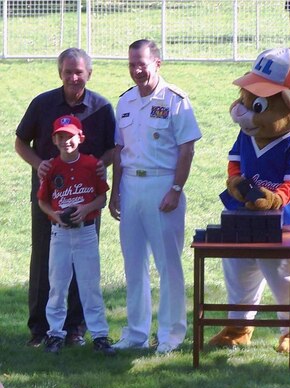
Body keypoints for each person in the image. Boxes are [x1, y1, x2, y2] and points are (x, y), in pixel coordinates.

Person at [15, 47, 116, 348]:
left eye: (79, 72)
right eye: (68, 72)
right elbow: (20, 142)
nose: (73, 77)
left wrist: (103, 163)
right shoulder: (43, 104)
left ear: (89, 74)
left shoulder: (100, 107)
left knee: (84, 263)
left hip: (86, 197)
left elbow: (113, 148)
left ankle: (75, 328)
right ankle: (41, 329)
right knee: (45, 259)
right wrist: (39, 163)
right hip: (49, 195)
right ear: (59, 73)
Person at [109, 39, 202, 354]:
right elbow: (121, 150)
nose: (137, 70)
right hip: (131, 186)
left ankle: (170, 336)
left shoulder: (175, 100)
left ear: (157, 63)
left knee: (168, 265)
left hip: (163, 185)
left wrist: (176, 189)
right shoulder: (125, 101)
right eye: (132, 64)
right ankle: (135, 333)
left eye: (142, 64)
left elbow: (187, 148)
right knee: (133, 264)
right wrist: (115, 192)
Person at [37, 115, 115, 355]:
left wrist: (86, 209)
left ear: (80, 138)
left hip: (86, 232)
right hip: (59, 233)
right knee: (57, 286)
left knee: (90, 285)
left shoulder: (92, 165)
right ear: (55, 140)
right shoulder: (52, 167)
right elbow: (42, 201)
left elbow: (101, 197)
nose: (65, 141)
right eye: (60, 137)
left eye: (70, 136)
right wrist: (55, 214)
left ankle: (100, 336)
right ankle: (55, 334)